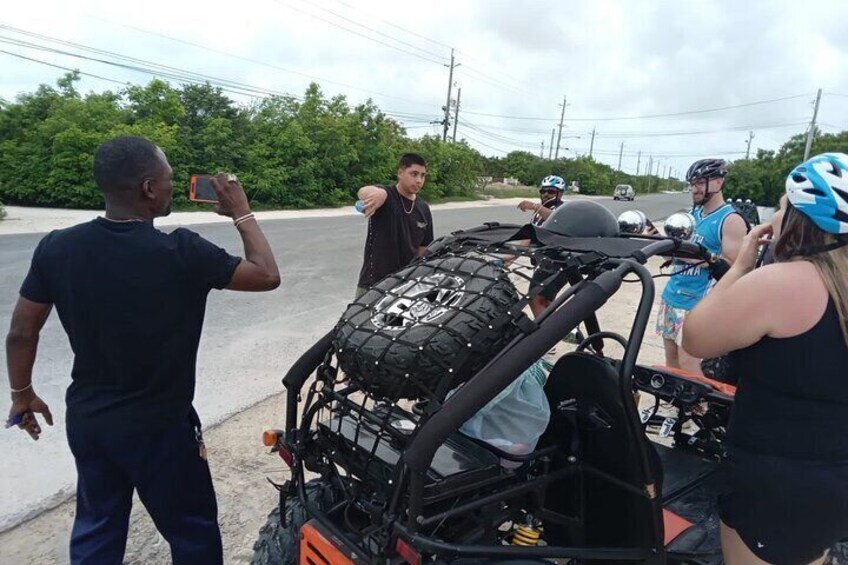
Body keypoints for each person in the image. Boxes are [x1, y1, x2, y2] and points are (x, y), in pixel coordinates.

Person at [4, 136, 280, 564]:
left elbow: (22, 331)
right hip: (161, 428)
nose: (173, 187)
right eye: (169, 180)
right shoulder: (183, 251)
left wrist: (22, 393)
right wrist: (241, 212)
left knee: (97, 528)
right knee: (192, 532)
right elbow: (266, 275)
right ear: (149, 188)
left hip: (91, 422)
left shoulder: (58, 246)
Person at [682, 152, 848, 564]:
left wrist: (740, 267)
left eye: (781, 206)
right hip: (834, 478)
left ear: (798, 217)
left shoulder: (781, 284)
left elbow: (697, 337)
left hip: (774, 484)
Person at [655, 158, 747, 374]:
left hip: (698, 303)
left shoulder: (730, 220)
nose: (693, 189)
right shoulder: (693, 215)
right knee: (671, 357)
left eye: (698, 183)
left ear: (717, 183)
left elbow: (735, 269)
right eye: (691, 184)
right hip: (673, 296)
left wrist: (697, 256)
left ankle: (696, 408)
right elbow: (678, 253)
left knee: (690, 363)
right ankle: (674, 405)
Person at [355, 153, 434, 298]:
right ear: (400, 173)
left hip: (404, 287)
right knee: (356, 320)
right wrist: (379, 194)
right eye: (414, 174)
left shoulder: (423, 208)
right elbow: (363, 192)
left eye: (422, 176)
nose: (418, 180)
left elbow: (423, 248)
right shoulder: (387, 195)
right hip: (373, 284)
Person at [518, 175, 567, 318]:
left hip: (557, 262)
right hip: (543, 262)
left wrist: (535, 206)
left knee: (536, 298)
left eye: (551, 191)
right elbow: (529, 236)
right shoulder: (539, 213)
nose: (546, 194)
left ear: (560, 193)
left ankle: (546, 331)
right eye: (543, 191)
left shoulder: (563, 209)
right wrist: (508, 258)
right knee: (546, 300)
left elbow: (556, 219)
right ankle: (570, 329)